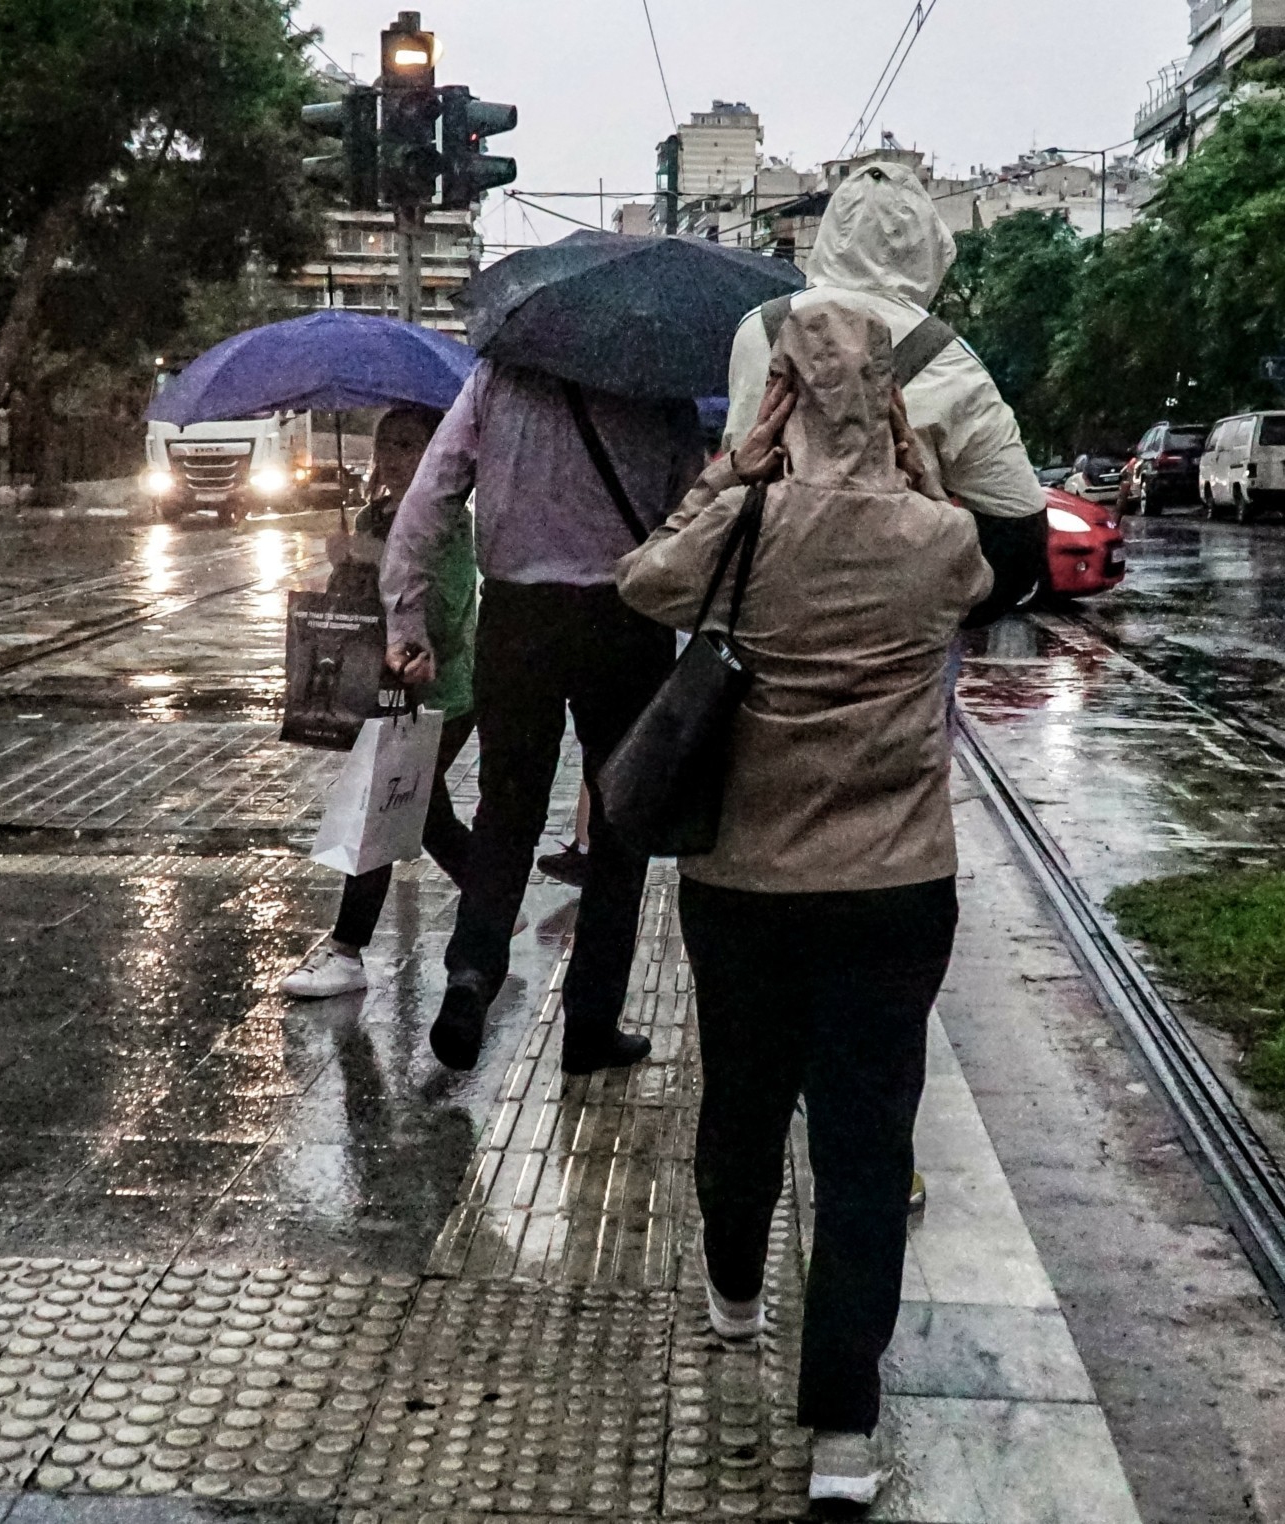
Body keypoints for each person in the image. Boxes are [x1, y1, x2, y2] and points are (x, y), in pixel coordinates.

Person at [617, 303, 993, 1509]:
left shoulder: (744, 522)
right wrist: (909, 457)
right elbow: (979, 571)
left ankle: (734, 1297)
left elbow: (641, 582)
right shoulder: (937, 540)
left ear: (775, 395)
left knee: (740, 1096)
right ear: (887, 402)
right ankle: (840, 1433)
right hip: (893, 889)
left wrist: (733, 464)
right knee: (865, 1147)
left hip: (743, 883)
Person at [382, 360, 705, 1074]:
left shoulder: (500, 377)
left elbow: (431, 495)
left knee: (507, 808)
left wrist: (405, 613)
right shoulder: (659, 383)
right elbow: (694, 515)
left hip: (517, 620)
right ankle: (590, 1026)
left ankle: (471, 975)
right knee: (621, 827)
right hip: (627, 618)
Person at [724, 159, 1046, 617]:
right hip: (900, 626)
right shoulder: (949, 357)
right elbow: (1019, 528)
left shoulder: (757, 331)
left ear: (830, 236)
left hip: (767, 614)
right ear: (930, 248)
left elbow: (734, 472)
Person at [280, 405, 474, 999]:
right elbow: (361, 610)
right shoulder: (371, 515)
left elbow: (442, 608)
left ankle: (346, 951)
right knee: (426, 816)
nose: (393, 457)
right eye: (386, 444)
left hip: (437, 697)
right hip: (376, 691)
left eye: (410, 445)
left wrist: (372, 558)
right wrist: (342, 573)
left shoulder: (447, 521)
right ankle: (495, 899)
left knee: (376, 814)